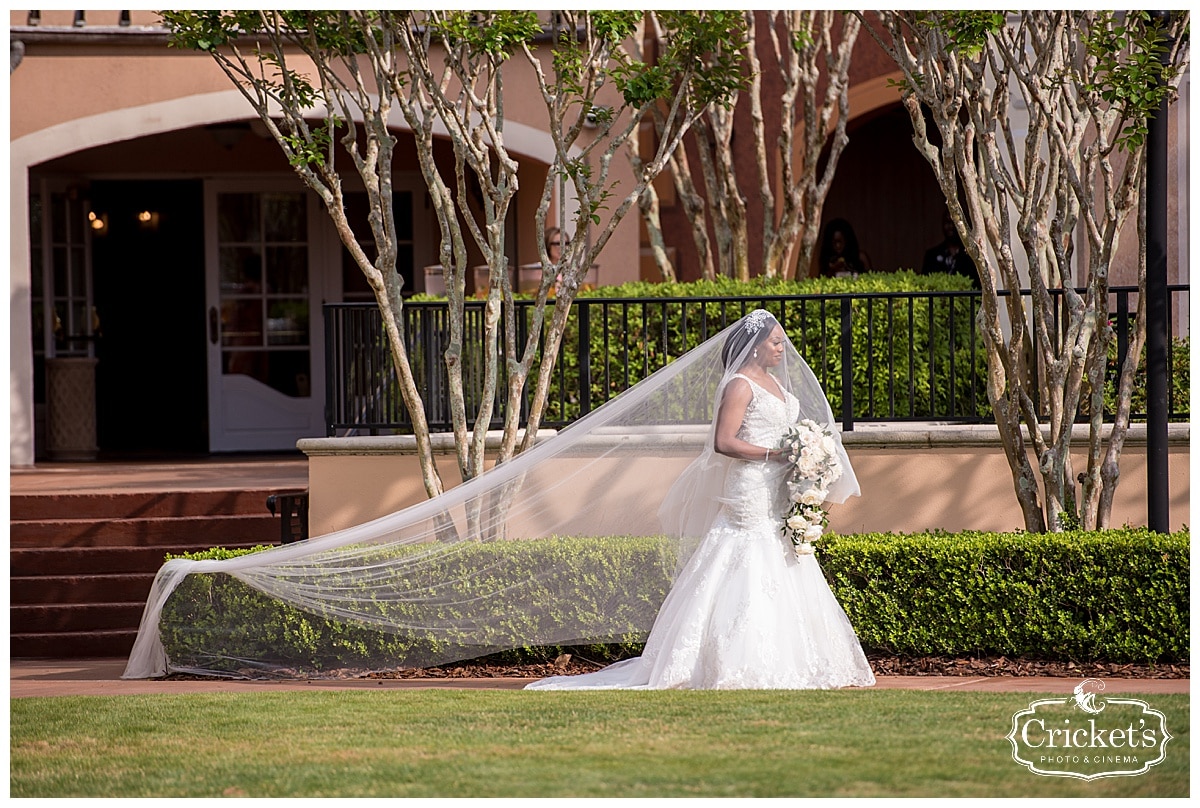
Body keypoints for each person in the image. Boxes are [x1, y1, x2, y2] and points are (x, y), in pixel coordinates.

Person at [527, 309, 876, 690]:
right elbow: (723, 442)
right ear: (755, 347)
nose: (782, 348)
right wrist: (775, 455)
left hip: (780, 487)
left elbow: (787, 432)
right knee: (748, 552)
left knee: (784, 554)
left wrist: (808, 453)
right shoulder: (740, 385)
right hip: (751, 486)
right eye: (775, 341)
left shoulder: (776, 383)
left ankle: (804, 659)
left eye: (781, 341)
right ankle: (732, 661)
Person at [922, 212, 978, 287]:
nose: (951, 226)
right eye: (947, 222)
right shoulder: (932, 255)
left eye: (954, 223)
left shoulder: (971, 255)